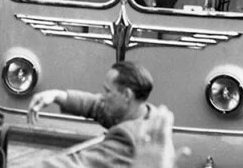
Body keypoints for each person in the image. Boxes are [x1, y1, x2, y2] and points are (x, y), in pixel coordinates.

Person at [27, 61, 160, 168]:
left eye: (108, 91)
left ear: (126, 95)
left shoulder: (127, 140)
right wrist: (58, 95)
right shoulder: (147, 115)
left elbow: (77, 164)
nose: (103, 97)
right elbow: (98, 106)